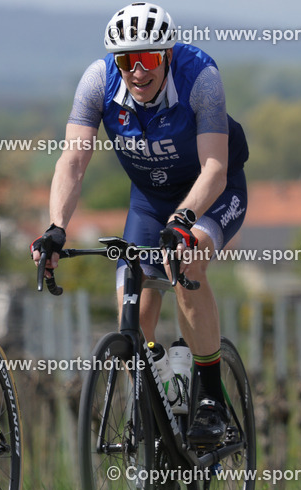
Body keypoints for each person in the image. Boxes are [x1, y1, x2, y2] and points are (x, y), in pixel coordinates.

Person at [33, 2, 248, 446]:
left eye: (147, 59)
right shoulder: (98, 81)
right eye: (126, 60)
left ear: (167, 54)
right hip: (149, 202)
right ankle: (160, 400)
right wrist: (56, 227)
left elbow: (214, 169)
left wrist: (185, 219)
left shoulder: (200, 76)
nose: (136, 71)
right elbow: (72, 161)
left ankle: (210, 401)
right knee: (133, 308)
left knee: (187, 263)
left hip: (211, 192)